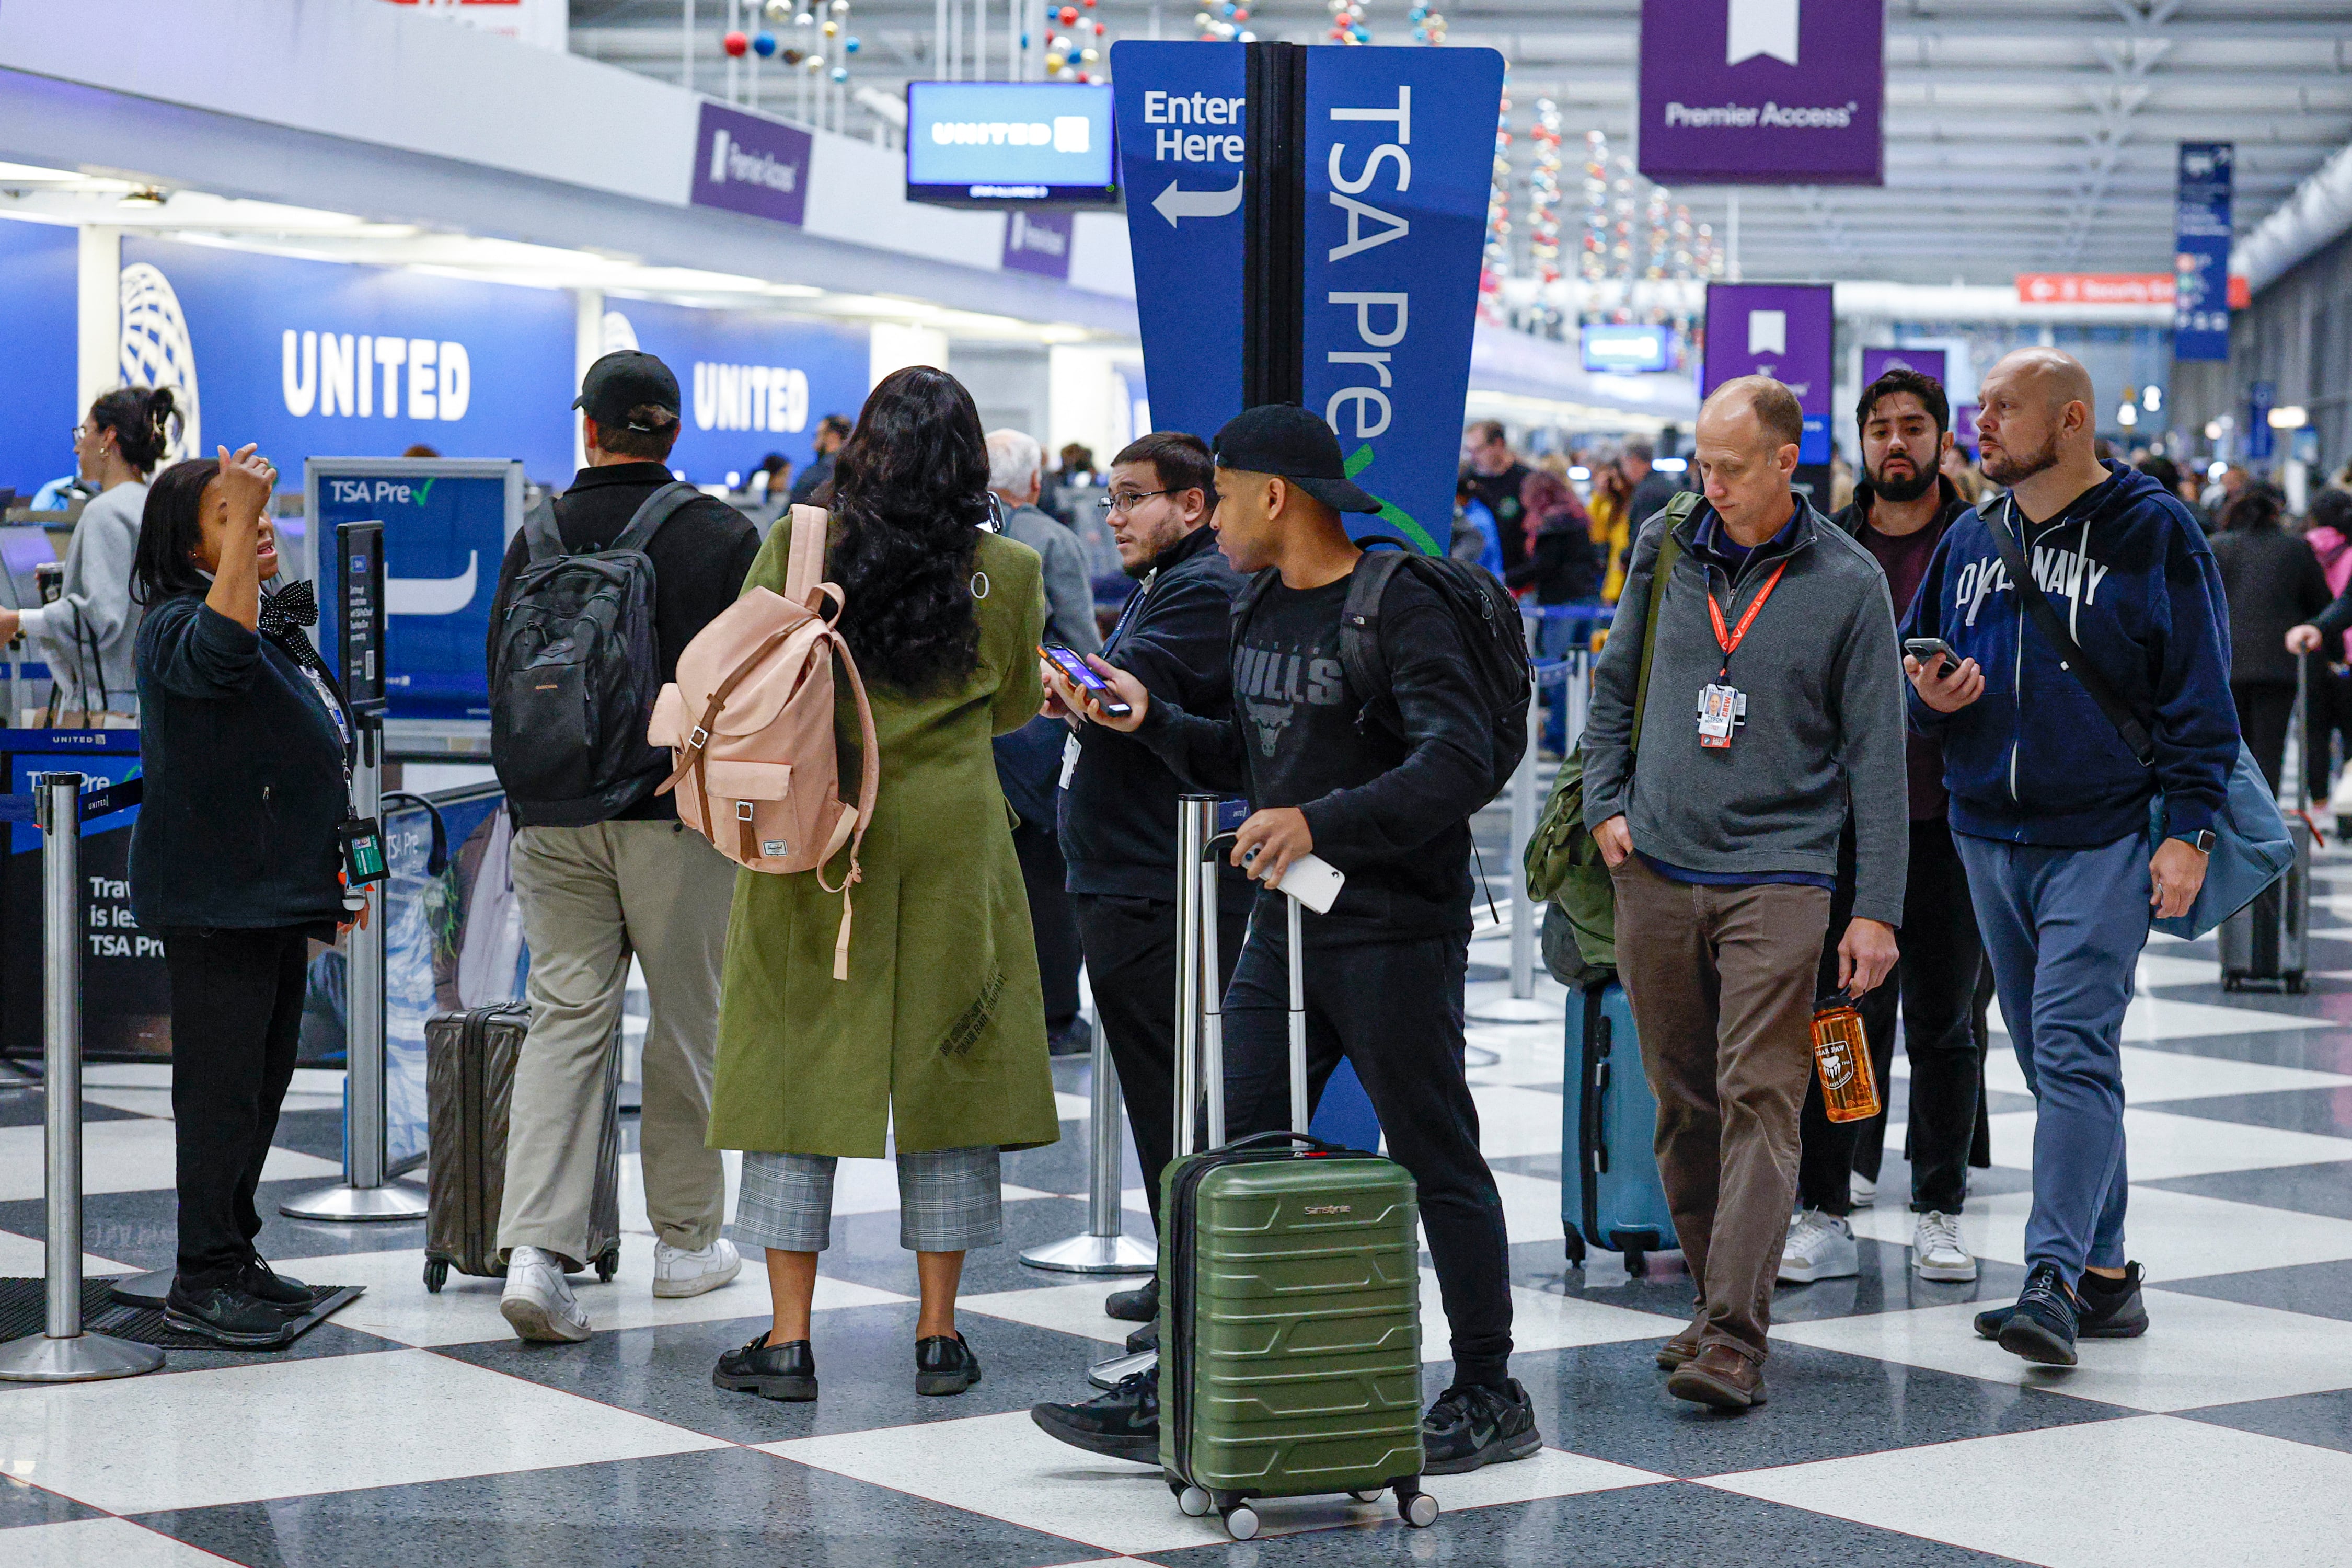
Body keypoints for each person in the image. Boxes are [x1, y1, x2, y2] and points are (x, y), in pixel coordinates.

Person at [1032, 403, 1538, 1475]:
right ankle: (1189, 1379)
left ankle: (1491, 1388)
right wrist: (1145, 719)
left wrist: (1324, 823)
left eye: (1218, 494)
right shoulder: (1258, 605)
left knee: (1435, 1150)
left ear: (1276, 496)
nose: (1207, 515)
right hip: (1287, 919)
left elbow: (1455, 766)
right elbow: (1257, 759)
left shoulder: (1397, 606)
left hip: (1396, 929)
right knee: (1226, 1155)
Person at [707, 366, 1060, 1403]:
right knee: (950, 1071)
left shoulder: (801, 544)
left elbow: (745, 678)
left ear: (864, 446)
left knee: (791, 1068)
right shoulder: (1010, 568)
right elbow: (1013, 709)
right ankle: (940, 1337)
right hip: (954, 835)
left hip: (819, 829)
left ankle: (786, 1342)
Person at [1904, 348, 2236, 1366]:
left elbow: (2200, 698)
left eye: (2005, 407)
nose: (1984, 422)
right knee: (2052, 1058)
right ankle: (2106, 1272)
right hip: (1984, 832)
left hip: (2100, 835)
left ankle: (2046, 1278)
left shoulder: (2155, 533)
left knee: (2075, 1045)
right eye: (1984, 407)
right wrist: (1931, 694)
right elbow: (1913, 653)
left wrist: (2188, 830)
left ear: (2074, 421)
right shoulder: (1971, 536)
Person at [1582, 374, 1906, 1411]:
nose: (1708, 485)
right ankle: (1712, 1296)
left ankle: (1734, 1333)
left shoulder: (1849, 580)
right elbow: (1615, 680)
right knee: (1681, 1102)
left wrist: (1879, 905)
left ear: (1785, 460)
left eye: (1728, 467)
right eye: (1699, 466)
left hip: (1784, 872)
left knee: (1760, 1094)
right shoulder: (1665, 546)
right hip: (1658, 868)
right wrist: (1602, 804)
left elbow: (1879, 757)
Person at [486, 351, 758, 1343]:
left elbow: (502, 675)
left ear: (589, 431)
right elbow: (757, 688)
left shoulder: (537, 535)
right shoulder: (724, 535)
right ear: (674, 432)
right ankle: (686, 1247)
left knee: (565, 1021)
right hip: (675, 816)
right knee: (690, 1023)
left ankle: (537, 1252)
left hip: (552, 818)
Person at [128, 444, 345, 1344]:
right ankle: (200, 1273)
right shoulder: (175, 626)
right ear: (187, 546)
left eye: (260, 512)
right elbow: (219, 660)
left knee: (261, 1084)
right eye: (231, 515)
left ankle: (235, 1249)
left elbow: (315, 687)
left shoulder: (264, 618)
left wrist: (335, 873)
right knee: (217, 1092)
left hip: (274, 896)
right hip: (215, 903)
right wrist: (239, 552)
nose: (258, 527)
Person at [1780, 367, 1985, 1288]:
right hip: (1847, 822)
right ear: (1860, 443)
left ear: (1943, 440)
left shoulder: (1981, 545)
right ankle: (1825, 1204)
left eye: (1913, 426)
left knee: (1945, 1022)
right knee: (1841, 1018)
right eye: (1879, 428)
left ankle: (1939, 1206)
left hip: (1950, 817)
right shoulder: (1825, 546)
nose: (1895, 442)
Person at [1052, 430, 1250, 1326]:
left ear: (1194, 506)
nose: (1117, 518)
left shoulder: (1204, 586)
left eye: (1134, 499)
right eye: (1112, 500)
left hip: (1157, 882)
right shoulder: (1168, 583)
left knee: (1176, 1090)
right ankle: (1185, 1261)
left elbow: (1138, 689)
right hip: (1131, 871)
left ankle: (1198, 1275)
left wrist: (1077, 679)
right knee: (1157, 1087)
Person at [987, 428, 1100, 1055]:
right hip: (1037, 738)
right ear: (1034, 482)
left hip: (972, 741)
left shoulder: (958, 540)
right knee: (1048, 881)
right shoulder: (1051, 542)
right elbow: (1082, 647)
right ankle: (1057, 1016)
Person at [0, 388, 176, 725]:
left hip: (109, 710)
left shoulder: (105, 512)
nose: (77, 447)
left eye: (84, 433)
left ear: (109, 437)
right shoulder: (156, 504)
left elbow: (99, 617)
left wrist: (18, 620)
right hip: (153, 703)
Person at [2208, 483, 2328, 794]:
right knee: (2269, 753)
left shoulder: (2217, 547)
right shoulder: (2296, 548)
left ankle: (2229, 825)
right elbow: (2320, 602)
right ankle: (2264, 831)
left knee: (2227, 750)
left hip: (2225, 663)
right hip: (2279, 664)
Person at [2291, 487, 2352, 802]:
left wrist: (2315, 626)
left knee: (2315, 731)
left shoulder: (2302, 548)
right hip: (2347, 653)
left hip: (2312, 648)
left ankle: (2321, 803)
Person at [1506, 468, 1602, 604]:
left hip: (1562, 600)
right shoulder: (1576, 515)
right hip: (1587, 595)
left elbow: (1545, 564)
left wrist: (1507, 578)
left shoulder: (1552, 524)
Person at [1461, 420, 1535, 576]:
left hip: (1515, 576)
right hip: (1475, 573)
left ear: (1498, 445)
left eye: (1478, 450)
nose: (1473, 458)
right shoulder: (1466, 482)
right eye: (1469, 451)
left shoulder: (1526, 481)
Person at [1620, 437, 1682, 534]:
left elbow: (1641, 536)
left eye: (1624, 463)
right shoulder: (1663, 483)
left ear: (1634, 460)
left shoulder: (1648, 493)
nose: (1623, 470)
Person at [787, 413, 852, 505]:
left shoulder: (817, 474)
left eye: (818, 435)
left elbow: (793, 509)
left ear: (833, 437)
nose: (814, 445)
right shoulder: (856, 471)